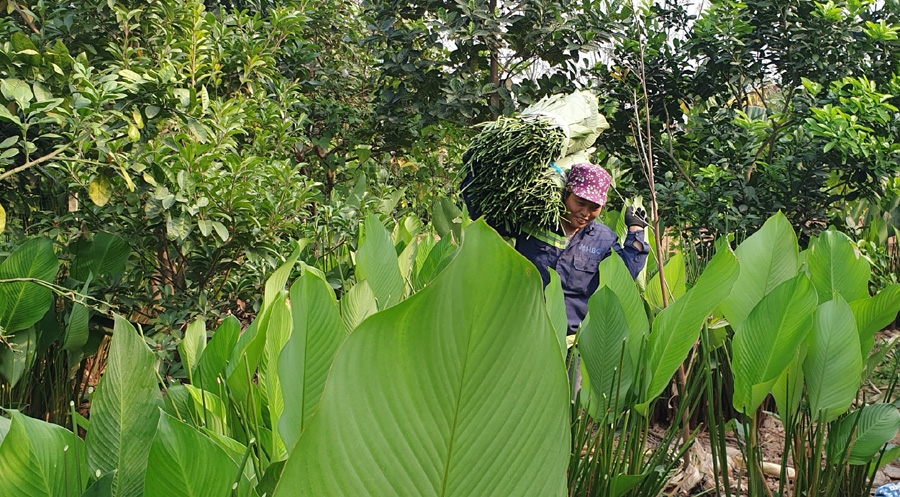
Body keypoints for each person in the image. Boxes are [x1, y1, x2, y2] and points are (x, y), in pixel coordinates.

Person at [465, 162, 650, 336]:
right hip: (521, 332)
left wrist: (636, 230)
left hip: (571, 341)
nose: (585, 213)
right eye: (580, 203)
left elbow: (624, 275)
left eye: (594, 207)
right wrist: (474, 170)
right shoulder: (534, 222)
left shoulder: (603, 239)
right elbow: (484, 218)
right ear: (565, 193)